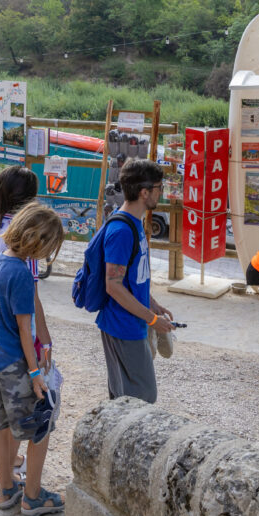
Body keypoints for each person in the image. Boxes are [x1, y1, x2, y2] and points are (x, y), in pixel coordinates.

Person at [0, 202, 65, 516]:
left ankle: (5, 489)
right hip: (15, 365)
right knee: (41, 424)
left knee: (1, 428)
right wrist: (36, 372)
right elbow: (26, 330)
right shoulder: (23, 275)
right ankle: (33, 495)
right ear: (39, 242)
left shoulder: (0, 261)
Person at [0, 165, 48, 480]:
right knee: (21, 405)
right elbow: (31, 295)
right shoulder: (24, 239)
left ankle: (6, 466)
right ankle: (6, 472)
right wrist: (43, 340)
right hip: (17, 331)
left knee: (2, 407)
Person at [96, 158, 175, 404]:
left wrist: (151, 303)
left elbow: (133, 277)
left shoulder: (135, 223)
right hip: (122, 325)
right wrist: (152, 319)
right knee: (140, 397)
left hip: (131, 322)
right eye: (159, 187)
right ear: (144, 192)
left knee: (128, 398)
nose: (161, 192)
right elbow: (113, 286)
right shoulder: (121, 231)